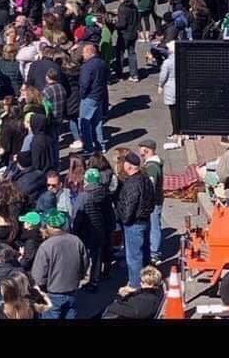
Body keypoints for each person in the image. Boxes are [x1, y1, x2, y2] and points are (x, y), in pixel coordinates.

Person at [30, 210, 89, 319]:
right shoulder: (76, 241)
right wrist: (79, 277)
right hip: (72, 290)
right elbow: (84, 264)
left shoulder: (46, 246)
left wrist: (39, 290)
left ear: (49, 226)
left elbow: (38, 276)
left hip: (52, 293)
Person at [115, 151, 156, 289]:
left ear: (129, 166)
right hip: (145, 220)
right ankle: (147, 281)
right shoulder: (145, 179)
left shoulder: (132, 184)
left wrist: (124, 219)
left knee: (134, 257)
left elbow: (129, 207)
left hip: (134, 224)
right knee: (144, 254)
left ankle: (135, 284)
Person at [79, 42, 109, 155]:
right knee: (97, 122)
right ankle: (101, 146)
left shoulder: (87, 66)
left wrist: (81, 95)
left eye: (83, 53)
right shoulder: (102, 62)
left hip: (89, 96)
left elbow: (84, 83)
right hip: (99, 96)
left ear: (88, 53)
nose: (82, 55)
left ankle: (88, 148)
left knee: (84, 123)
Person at [139, 139, 164, 264]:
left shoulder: (151, 167)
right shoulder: (153, 164)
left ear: (146, 150)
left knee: (154, 226)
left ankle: (155, 253)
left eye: (141, 148)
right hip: (156, 201)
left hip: (153, 202)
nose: (139, 151)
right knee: (154, 225)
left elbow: (151, 186)